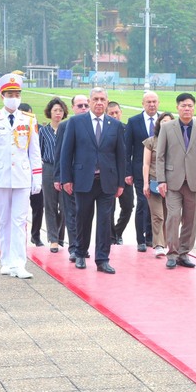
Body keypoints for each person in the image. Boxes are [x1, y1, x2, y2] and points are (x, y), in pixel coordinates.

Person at [0, 73, 42, 279]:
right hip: (0, 175)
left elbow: (34, 151)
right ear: (2, 96)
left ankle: (19, 263)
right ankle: (6, 260)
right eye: (10, 94)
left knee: (20, 221)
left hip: (22, 175)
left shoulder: (29, 120)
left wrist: (37, 177)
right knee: (3, 220)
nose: (14, 97)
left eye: (17, 93)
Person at [60, 87, 126, 274]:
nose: (99, 102)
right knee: (83, 218)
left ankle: (102, 259)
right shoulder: (75, 122)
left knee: (105, 221)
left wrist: (120, 182)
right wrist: (66, 179)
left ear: (107, 102)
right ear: (89, 101)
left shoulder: (115, 125)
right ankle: (80, 253)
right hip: (83, 179)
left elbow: (120, 156)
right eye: (95, 99)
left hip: (107, 181)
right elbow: (67, 153)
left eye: (102, 99)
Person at [156, 93, 196, 269]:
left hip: (194, 181)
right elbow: (160, 156)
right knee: (173, 217)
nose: (186, 108)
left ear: (194, 107)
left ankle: (184, 253)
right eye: (183, 105)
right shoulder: (167, 128)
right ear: (177, 108)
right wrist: (161, 180)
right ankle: (172, 253)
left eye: (189, 105)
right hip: (173, 182)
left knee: (191, 219)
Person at [124, 91, 161, 252]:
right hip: (139, 171)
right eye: (148, 102)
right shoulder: (134, 122)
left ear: (158, 103)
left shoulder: (165, 121)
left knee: (157, 206)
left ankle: (153, 238)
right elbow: (127, 149)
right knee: (143, 203)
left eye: (154, 102)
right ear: (143, 104)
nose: (151, 104)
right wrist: (127, 172)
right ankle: (141, 239)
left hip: (160, 172)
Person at [54, 94, 88, 262]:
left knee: (85, 214)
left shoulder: (95, 125)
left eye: (85, 105)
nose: (83, 108)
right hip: (70, 177)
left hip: (89, 179)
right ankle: (74, 247)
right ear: (73, 107)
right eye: (79, 105)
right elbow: (59, 153)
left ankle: (83, 246)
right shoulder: (64, 126)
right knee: (71, 213)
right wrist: (59, 177)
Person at [142, 112, 175, 257]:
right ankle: (159, 245)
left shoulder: (176, 142)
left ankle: (168, 243)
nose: (166, 124)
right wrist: (145, 183)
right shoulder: (150, 141)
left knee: (170, 216)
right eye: (163, 121)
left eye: (169, 121)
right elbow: (146, 164)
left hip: (173, 183)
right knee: (158, 215)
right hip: (154, 181)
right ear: (159, 123)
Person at [40, 97, 68, 253]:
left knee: (65, 206)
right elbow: (39, 151)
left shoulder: (68, 128)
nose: (58, 113)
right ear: (50, 113)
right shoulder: (44, 131)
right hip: (49, 168)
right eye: (55, 110)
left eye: (60, 110)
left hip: (64, 170)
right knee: (50, 205)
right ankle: (53, 239)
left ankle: (59, 235)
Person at [107, 101, 134, 245]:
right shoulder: (104, 130)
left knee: (128, 207)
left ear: (121, 113)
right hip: (109, 176)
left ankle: (118, 232)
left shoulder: (127, 130)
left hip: (125, 175)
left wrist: (129, 173)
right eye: (111, 113)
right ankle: (111, 236)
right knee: (109, 208)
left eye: (117, 112)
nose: (114, 115)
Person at [20, 102, 45, 247]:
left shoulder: (39, 129)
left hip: (35, 175)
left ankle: (35, 235)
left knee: (38, 207)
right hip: (20, 175)